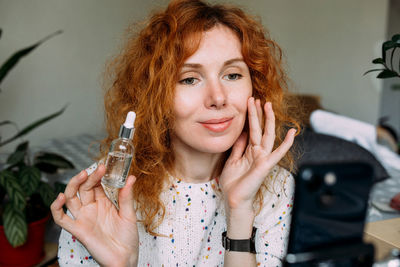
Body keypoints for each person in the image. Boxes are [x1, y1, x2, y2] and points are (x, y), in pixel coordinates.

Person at [51, 0, 300, 266]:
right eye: (190, 79)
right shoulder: (101, 192)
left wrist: (239, 211)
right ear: (154, 96)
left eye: (233, 75)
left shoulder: (275, 187)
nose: (218, 98)